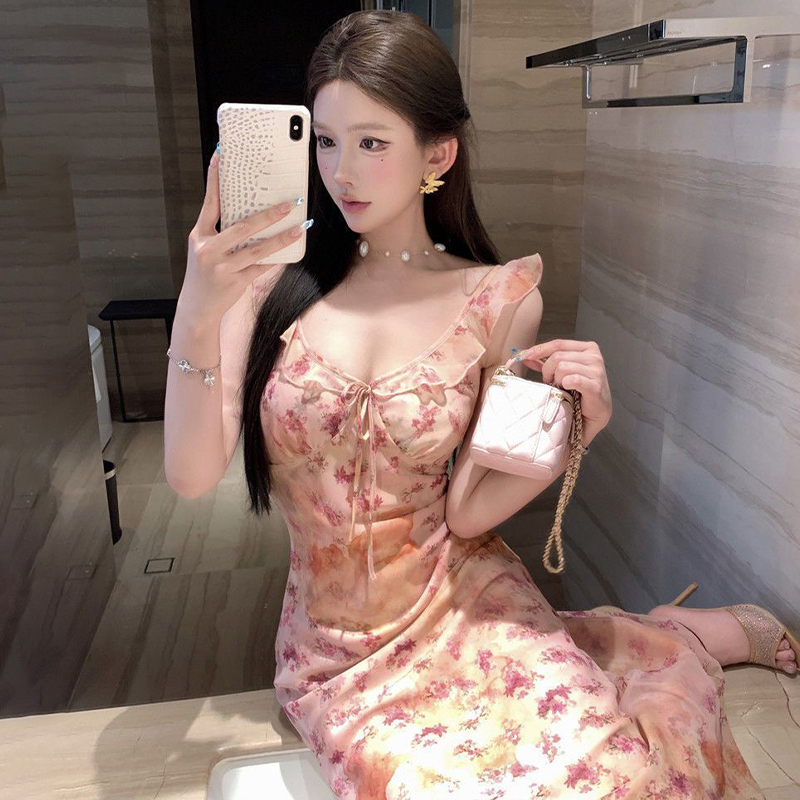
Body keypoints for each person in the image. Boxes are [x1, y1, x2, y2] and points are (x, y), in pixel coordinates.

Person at [164, 9, 797, 799]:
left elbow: (466, 512)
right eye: (325, 140)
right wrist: (197, 306)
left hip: (470, 607)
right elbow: (192, 476)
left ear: (437, 154)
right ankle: (671, 629)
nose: (341, 171)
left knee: (618, 779)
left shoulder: (496, 301)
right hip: (339, 655)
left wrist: (574, 429)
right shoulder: (262, 289)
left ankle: (676, 636)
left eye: (372, 142)